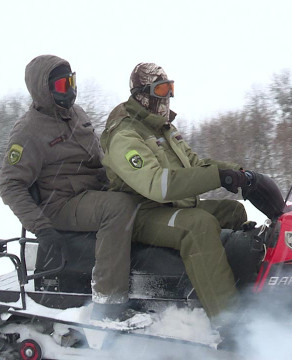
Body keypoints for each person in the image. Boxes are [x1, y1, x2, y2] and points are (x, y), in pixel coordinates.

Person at [100, 62, 256, 325]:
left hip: (172, 206)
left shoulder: (164, 129)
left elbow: (195, 164)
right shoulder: (125, 135)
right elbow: (157, 185)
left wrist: (236, 172)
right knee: (198, 225)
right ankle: (229, 322)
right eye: (161, 88)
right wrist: (216, 177)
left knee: (233, 211)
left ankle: (248, 292)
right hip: (140, 213)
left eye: (171, 87)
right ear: (142, 93)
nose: (168, 95)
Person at [0, 55, 150, 329]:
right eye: (61, 85)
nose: (69, 90)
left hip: (92, 191)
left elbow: (98, 155)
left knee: (142, 193)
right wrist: (42, 228)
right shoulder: (28, 131)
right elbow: (10, 185)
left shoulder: (77, 114)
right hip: (60, 204)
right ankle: (109, 303)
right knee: (117, 208)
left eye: (72, 81)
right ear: (43, 89)